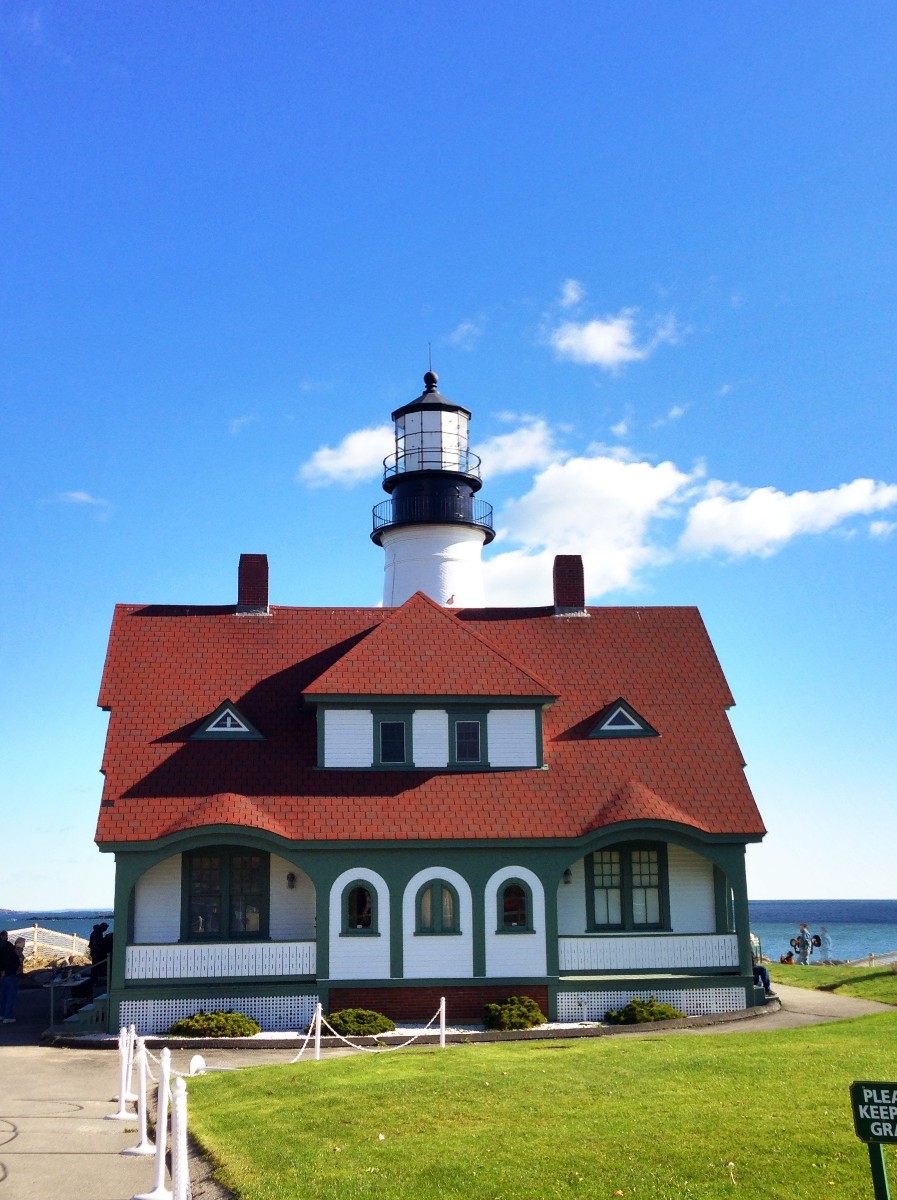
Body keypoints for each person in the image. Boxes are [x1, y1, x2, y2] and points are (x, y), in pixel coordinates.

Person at [0, 931, 22, 1023]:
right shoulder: (9, 948)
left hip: (2, 974)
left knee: (3, 995)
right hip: (10, 973)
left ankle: (1, 1014)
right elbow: (14, 962)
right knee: (10, 995)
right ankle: (8, 1015)